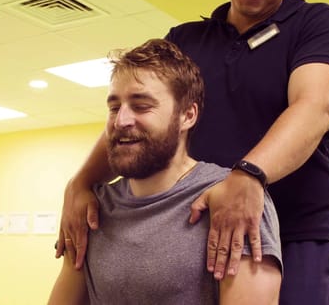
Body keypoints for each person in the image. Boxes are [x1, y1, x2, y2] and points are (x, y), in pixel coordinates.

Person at [57, 0, 329, 304]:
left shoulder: (316, 22)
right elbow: (138, 116)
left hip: (296, 227)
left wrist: (249, 175)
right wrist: (81, 183)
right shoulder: (185, 40)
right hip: (199, 223)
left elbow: (313, 107)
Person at [48, 38, 282, 304]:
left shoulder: (234, 203)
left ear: (187, 116)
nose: (121, 121)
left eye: (141, 106)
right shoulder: (92, 209)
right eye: (114, 108)